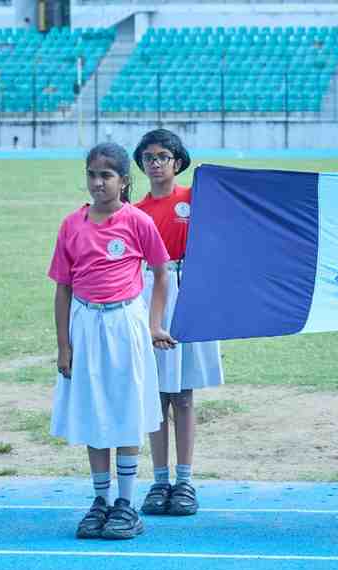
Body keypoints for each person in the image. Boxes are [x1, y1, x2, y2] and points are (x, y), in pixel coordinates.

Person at [48, 142, 177, 540]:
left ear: (123, 181)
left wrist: (154, 325)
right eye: (92, 175)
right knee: (94, 411)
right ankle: (100, 501)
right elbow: (63, 288)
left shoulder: (138, 221)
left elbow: (161, 273)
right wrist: (64, 346)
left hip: (125, 324)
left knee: (125, 410)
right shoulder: (72, 225)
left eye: (106, 175)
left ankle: (126, 503)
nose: (98, 183)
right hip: (86, 325)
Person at [132, 129, 224, 517]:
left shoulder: (194, 199)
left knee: (184, 395)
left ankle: (184, 480)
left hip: (188, 292)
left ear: (178, 161)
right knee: (156, 393)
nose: (156, 164)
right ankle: (159, 480)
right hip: (149, 294)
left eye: (163, 157)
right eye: (148, 158)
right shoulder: (135, 210)